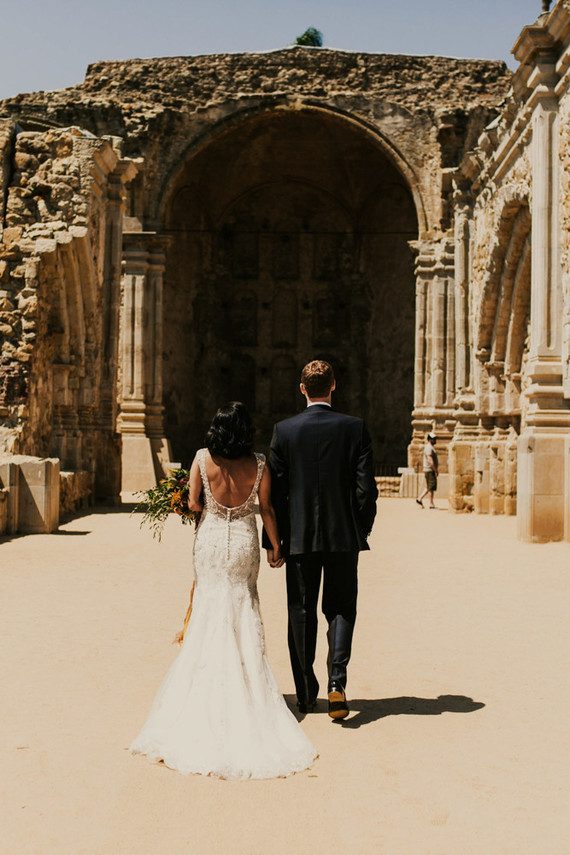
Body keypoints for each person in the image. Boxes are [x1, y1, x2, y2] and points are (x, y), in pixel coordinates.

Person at [131, 402, 317, 779]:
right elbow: (266, 510)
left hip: (212, 542)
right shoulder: (260, 464)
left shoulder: (203, 457)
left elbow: (194, 502)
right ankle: (247, 692)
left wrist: (191, 503)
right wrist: (276, 545)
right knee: (243, 609)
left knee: (208, 611)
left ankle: (203, 695)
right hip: (244, 543)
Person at [263, 360, 378, 720]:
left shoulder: (284, 431)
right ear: (333, 386)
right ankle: (337, 682)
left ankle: (305, 692)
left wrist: (274, 542)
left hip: (297, 537)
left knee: (300, 609)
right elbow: (366, 491)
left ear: (302, 389)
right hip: (342, 534)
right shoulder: (354, 428)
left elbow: (275, 494)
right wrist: (360, 527)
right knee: (342, 607)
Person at [416, 431, 438, 509]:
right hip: (429, 469)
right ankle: (423, 500)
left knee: (430, 487)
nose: (435, 440)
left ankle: (427, 501)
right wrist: (435, 470)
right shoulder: (429, 447)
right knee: (430, 486)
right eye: (433, 439)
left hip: (429, 469)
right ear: (429, 439)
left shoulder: (430, 447)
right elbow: (430, 460)